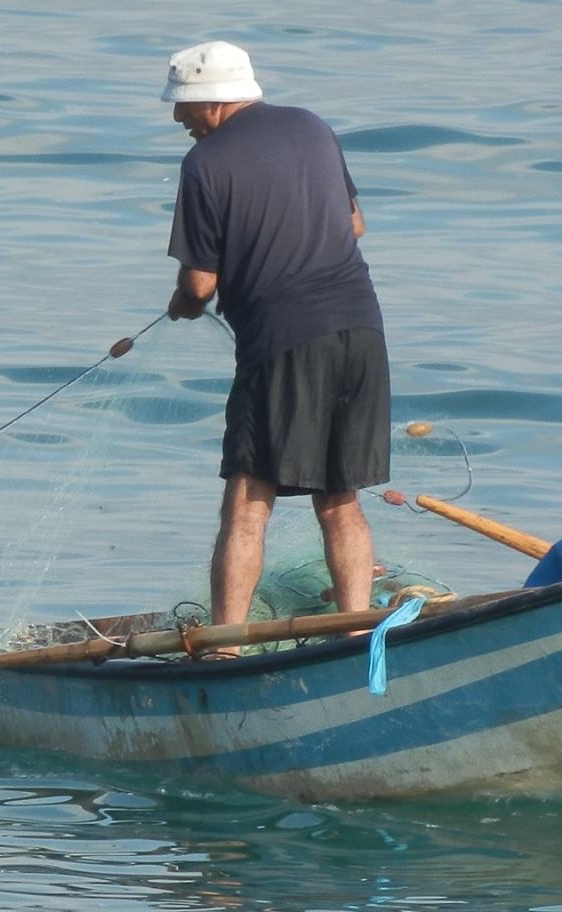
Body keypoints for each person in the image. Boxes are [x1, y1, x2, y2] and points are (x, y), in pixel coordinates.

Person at [160, 40, 390, 652]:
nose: (178, 119)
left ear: (208, 102)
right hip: (361, 330)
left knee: (246, 499)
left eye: (181, 106)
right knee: (340, 497)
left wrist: (183, 305)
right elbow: (354, 224)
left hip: (283, 342)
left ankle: (228, 645)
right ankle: (357, 630)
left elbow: (200, 283)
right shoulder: (313, 127)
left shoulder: (205, 165)